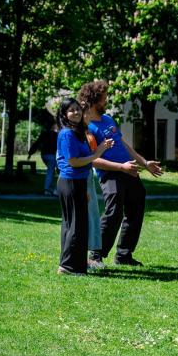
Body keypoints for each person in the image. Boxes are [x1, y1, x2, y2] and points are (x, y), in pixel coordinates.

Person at [78, 80, 164, 267]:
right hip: (110, 173)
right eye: (104, 97)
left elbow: (123, 145)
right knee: (113, 212)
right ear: (94, 100)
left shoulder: (108, 120)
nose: (106, 100)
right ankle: (95, 254)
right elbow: (92, 159)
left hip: (129, 170)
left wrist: (145, 163)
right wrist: (120, 167)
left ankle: (124, 255)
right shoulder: (87, 126)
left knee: (135, 210)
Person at [55, 98, 112, 276]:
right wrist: (98, 153)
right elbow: (73, 161)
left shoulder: (78, 132)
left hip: (79, 182)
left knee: (75, 224)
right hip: (70, 182)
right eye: (71, 110)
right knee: (75, 225)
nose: (76, 112)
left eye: (78, 109)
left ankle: (74, 264)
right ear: (64, 114)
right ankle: (68, 267)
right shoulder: (66, 134)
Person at [28, 118, 58, 196]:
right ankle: (48, 189)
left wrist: (30, 153)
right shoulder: (55, 135)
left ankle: (51, 188)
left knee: (52, 171)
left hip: (44, 155)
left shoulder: (43, 134)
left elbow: (37, 143)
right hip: (52, 155)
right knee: (53, 171)